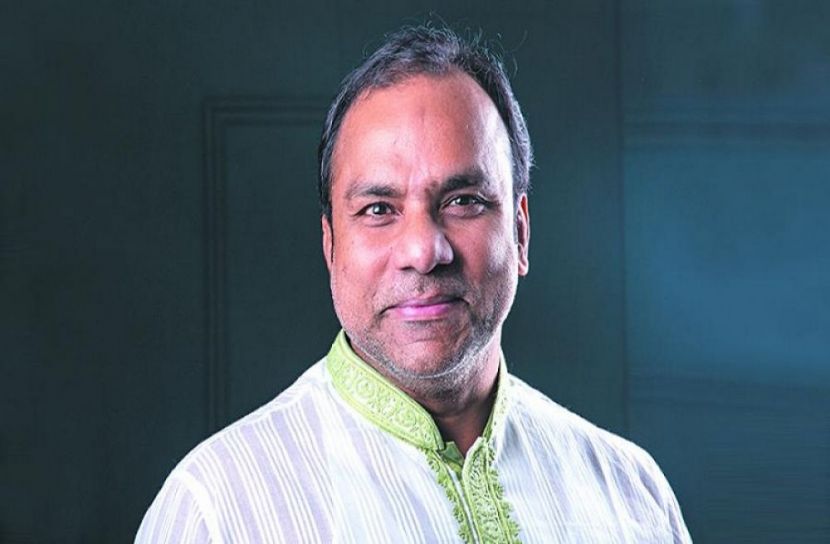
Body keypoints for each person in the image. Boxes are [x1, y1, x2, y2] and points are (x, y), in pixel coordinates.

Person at [136, 24, 692, 543]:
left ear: (520, 232)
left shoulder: (631, 495)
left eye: (463, 201)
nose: (424, 252)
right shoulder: (217, 509)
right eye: (379, 209)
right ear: (330, 246)